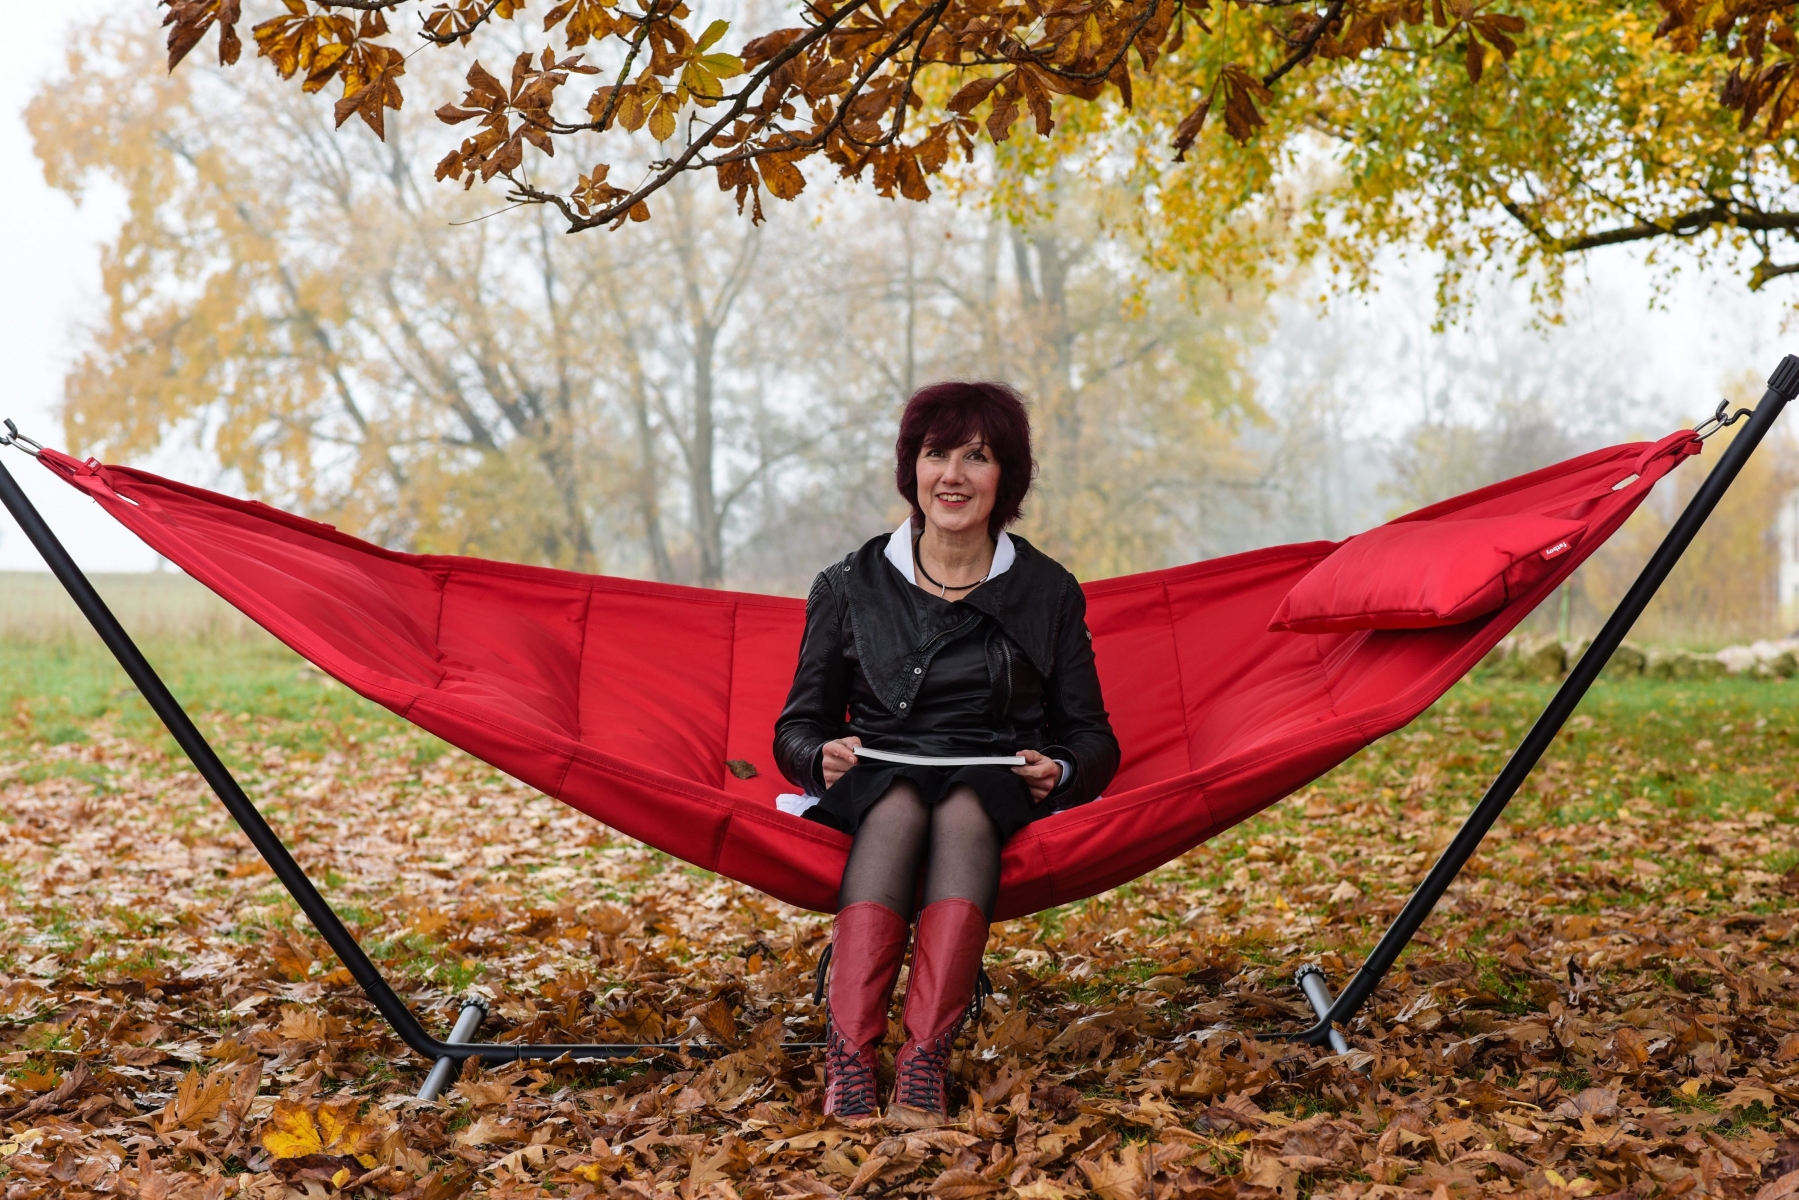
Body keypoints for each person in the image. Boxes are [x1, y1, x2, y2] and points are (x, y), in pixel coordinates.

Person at [773, 381, 1119, 1120]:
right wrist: (817, 758)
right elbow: (795, 729)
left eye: (977, 456)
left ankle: (924, 1060)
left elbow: (1092, 737)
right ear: (912, 469)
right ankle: (850, 1060)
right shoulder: (847, 583)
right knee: (899, 803)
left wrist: (1062, 769)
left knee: (960, 808)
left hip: (990, 781)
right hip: (875, 779)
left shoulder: (1048, 591)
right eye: (936, 454)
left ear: (1007, 478)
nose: (952, 475)